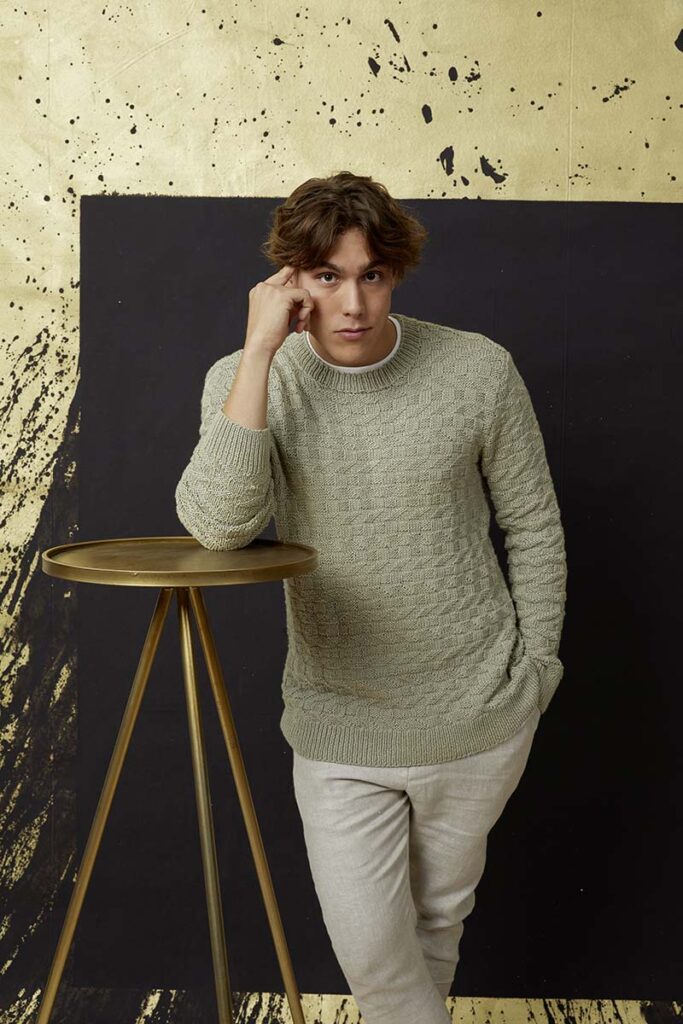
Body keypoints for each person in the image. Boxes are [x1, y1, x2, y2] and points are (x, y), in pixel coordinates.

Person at [174, 170, 567, 1024]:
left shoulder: (476, 369)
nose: (352, 303)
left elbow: (532, 525)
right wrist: (258, 353)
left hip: (479, 714)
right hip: (338, 718)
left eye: (372, 276)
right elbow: (220, 527)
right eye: (327, 276)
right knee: (380, 967)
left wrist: (536, 669)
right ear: (289, 280)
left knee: (436, 931)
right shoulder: (248, 379)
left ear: (395, 274)